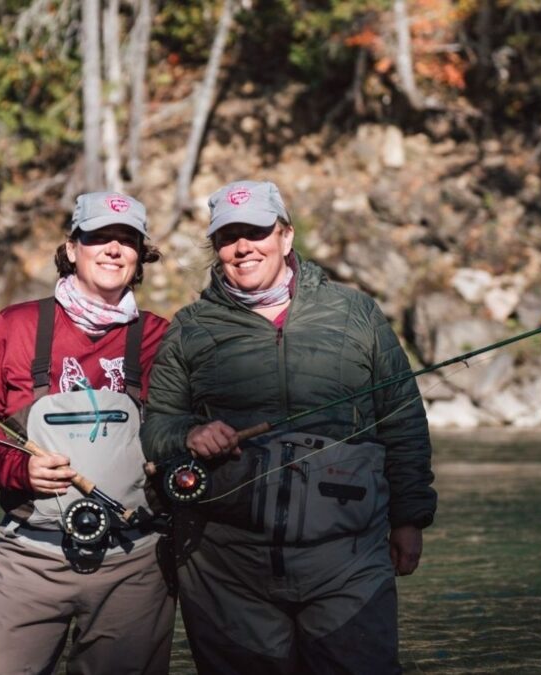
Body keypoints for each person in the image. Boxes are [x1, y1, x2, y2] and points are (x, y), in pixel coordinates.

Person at [141, 180, 437, 674]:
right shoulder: (190, 328)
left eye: (255, 231)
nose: (242, 247)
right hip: (228, 567)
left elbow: (402, 420)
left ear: (285, 236)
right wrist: (190, 435)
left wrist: (410, 518)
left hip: (349, 558)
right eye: (228, 236)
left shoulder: (356, 314)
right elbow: (157, 426)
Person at [0, 192, 174, 675]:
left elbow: (184, 430)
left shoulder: (162, 336)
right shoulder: (17, 325)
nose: (113, 249)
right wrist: (21, 469)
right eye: (99, 238)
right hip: (29, 556)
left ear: (140, 257)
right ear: (72, 248)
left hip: (134, 562)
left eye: (127, 241)